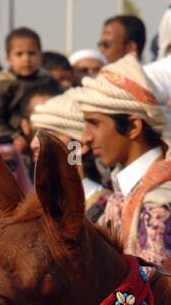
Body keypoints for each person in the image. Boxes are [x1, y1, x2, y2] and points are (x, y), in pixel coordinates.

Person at [81, 53, 171, 266]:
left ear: (134, 127)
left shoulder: (154, 210)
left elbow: (153, 297)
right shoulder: (126, 195)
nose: (85, 137)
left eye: (94, 123)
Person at [30, 87, 111, 219]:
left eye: (47, 134)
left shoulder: (106, 209)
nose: (34, 144)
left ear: (79, 147)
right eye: (35, 134)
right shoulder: (39, 204)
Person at [0, 28, 63, 140]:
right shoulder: (3, 85)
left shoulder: (49, 82)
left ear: (41, 56)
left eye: (32, 53)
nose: (26, 59)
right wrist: (13, 137)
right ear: (8, 58)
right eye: (19, 54)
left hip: (47, 135)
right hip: (11, 139)